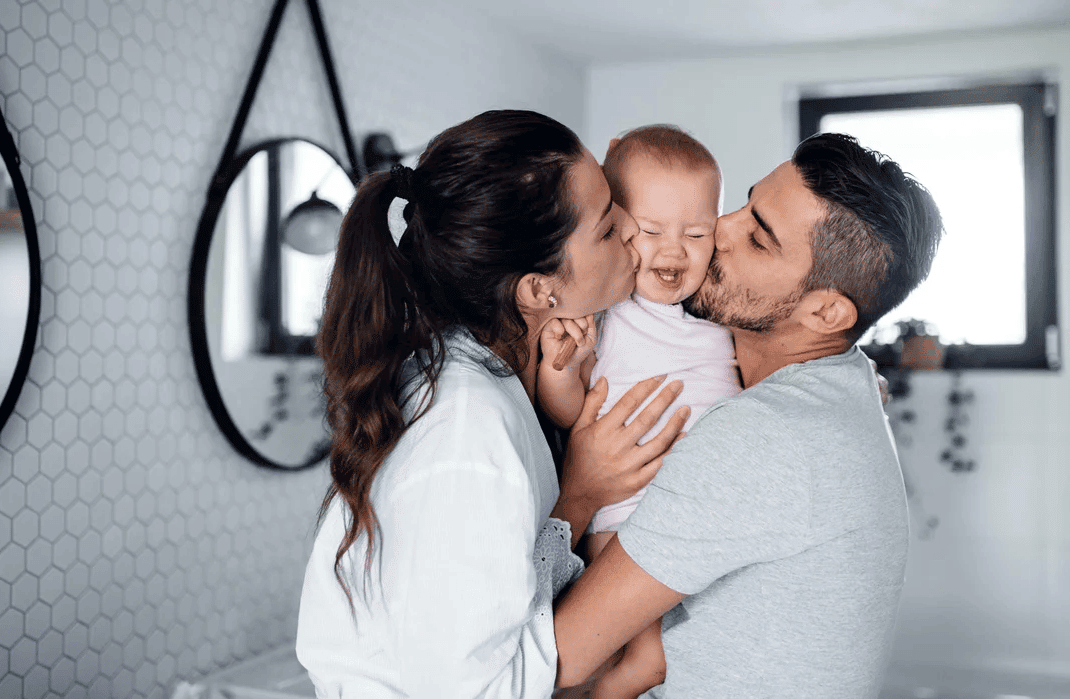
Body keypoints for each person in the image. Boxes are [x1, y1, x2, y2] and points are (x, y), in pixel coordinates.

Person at [295, 110, 691, 698]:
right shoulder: (464, 433)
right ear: (538, 289)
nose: (636, 231)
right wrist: (580, 494)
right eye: (608, 228)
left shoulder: (494, 369)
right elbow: (475, 690)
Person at [554, 132, 944, 698]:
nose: (718, 231)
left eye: (758, 239)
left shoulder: (762, 437)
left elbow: (556, 660)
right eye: (742, 205)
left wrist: (579, 494)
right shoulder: (846, 383)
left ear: (826, 310)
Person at [536, 124, 740, 699]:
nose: (674, 251)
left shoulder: (717, 307)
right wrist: (558, 369)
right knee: (640, 657)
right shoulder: (607, 309)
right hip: (623, 510)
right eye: (651, 231)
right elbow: (570, 410)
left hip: (701, 510)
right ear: (620, 226)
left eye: (697, 234)